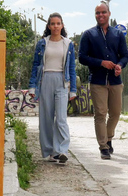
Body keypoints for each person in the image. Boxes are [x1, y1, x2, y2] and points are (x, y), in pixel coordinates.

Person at [79, 1, 128, 160]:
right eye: (97, 13)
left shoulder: (118, 34)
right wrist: (101, 63)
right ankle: (103, 147)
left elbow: (125, 56)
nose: (100, 15)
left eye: (103, 12)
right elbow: (82, 57)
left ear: (109, 13)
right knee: (100, 113)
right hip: (97, 81)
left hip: (115, 80)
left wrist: (120, 65)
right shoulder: (88, 34)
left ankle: (108, 138)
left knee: (115, 113)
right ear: (95, 15)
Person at [29, 12, 77, 164]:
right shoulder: (43, 43)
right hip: (45, 80)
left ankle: (62, 150)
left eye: (58, 23)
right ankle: (51, 151)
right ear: (49, 26)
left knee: (61, 118)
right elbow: (35, 65)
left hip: (62, 81)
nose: (55, 26)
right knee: (46, 117)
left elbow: (71, 68)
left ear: (62, 25)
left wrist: (73, 89)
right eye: (53, 24)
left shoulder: (68, 43)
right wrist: (32, 87)